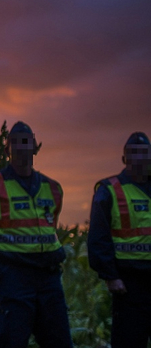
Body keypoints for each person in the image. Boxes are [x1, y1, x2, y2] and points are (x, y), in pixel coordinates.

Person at [0, 121, 72, 348]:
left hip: (49, 277)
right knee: (9, 341)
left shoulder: (52, 187)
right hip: (14, 276)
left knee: (59, 341)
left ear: (35, 146)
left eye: (26, 142)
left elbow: (51, 227)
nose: (21, 148)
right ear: (7, 149)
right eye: (15, 143)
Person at [88, 132, 151, 347]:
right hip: (128, 284)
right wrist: (110, 276)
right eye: (133, 153)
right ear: (124, 159)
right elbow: (98, 237)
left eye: (144, 153)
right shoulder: (109, 190)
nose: (139, 158)